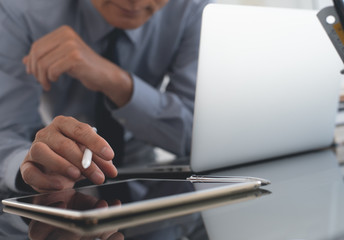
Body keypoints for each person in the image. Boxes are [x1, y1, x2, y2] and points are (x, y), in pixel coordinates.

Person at [0, 0, 210, 193]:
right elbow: (6, 131)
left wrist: (116, 81)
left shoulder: (196, 9)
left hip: (152, 182)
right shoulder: (20, 9)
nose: (135, 2)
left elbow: (203, 134)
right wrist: (31, 164)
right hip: (59, 185)